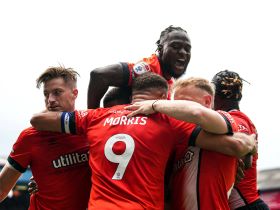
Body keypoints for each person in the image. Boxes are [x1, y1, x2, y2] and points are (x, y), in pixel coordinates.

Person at [30, 72, 255, 210]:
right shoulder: (168, 121)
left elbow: (38, 120)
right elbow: (231, 142)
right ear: (164, 97)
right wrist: (247, 145)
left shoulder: (95, 117)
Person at [126, 77, 256, 210]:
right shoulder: (177, 134)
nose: (174, 109)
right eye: (174, 103)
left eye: (183, 102)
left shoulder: (221, 122)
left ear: (207, 101)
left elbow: (239, 144)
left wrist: (155, 104)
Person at [0, 66, 91, 210]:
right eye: (46, 94)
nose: (50, 100)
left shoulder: (91, 129)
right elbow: (1, 189)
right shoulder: (30, 137)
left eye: (57, 92)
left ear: (75, 93)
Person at [87, 25, 191, 108]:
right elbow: (99, 75)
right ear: (160, 49)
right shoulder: (148, 68)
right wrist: (91, 118)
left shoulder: (170, 83)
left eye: (187, 49)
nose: (183, 52)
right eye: (176, 46)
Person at [212, 70, 269, 210]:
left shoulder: (234, 120)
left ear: (215, 95)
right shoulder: (242, 119)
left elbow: (245, 158)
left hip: (247, 205)